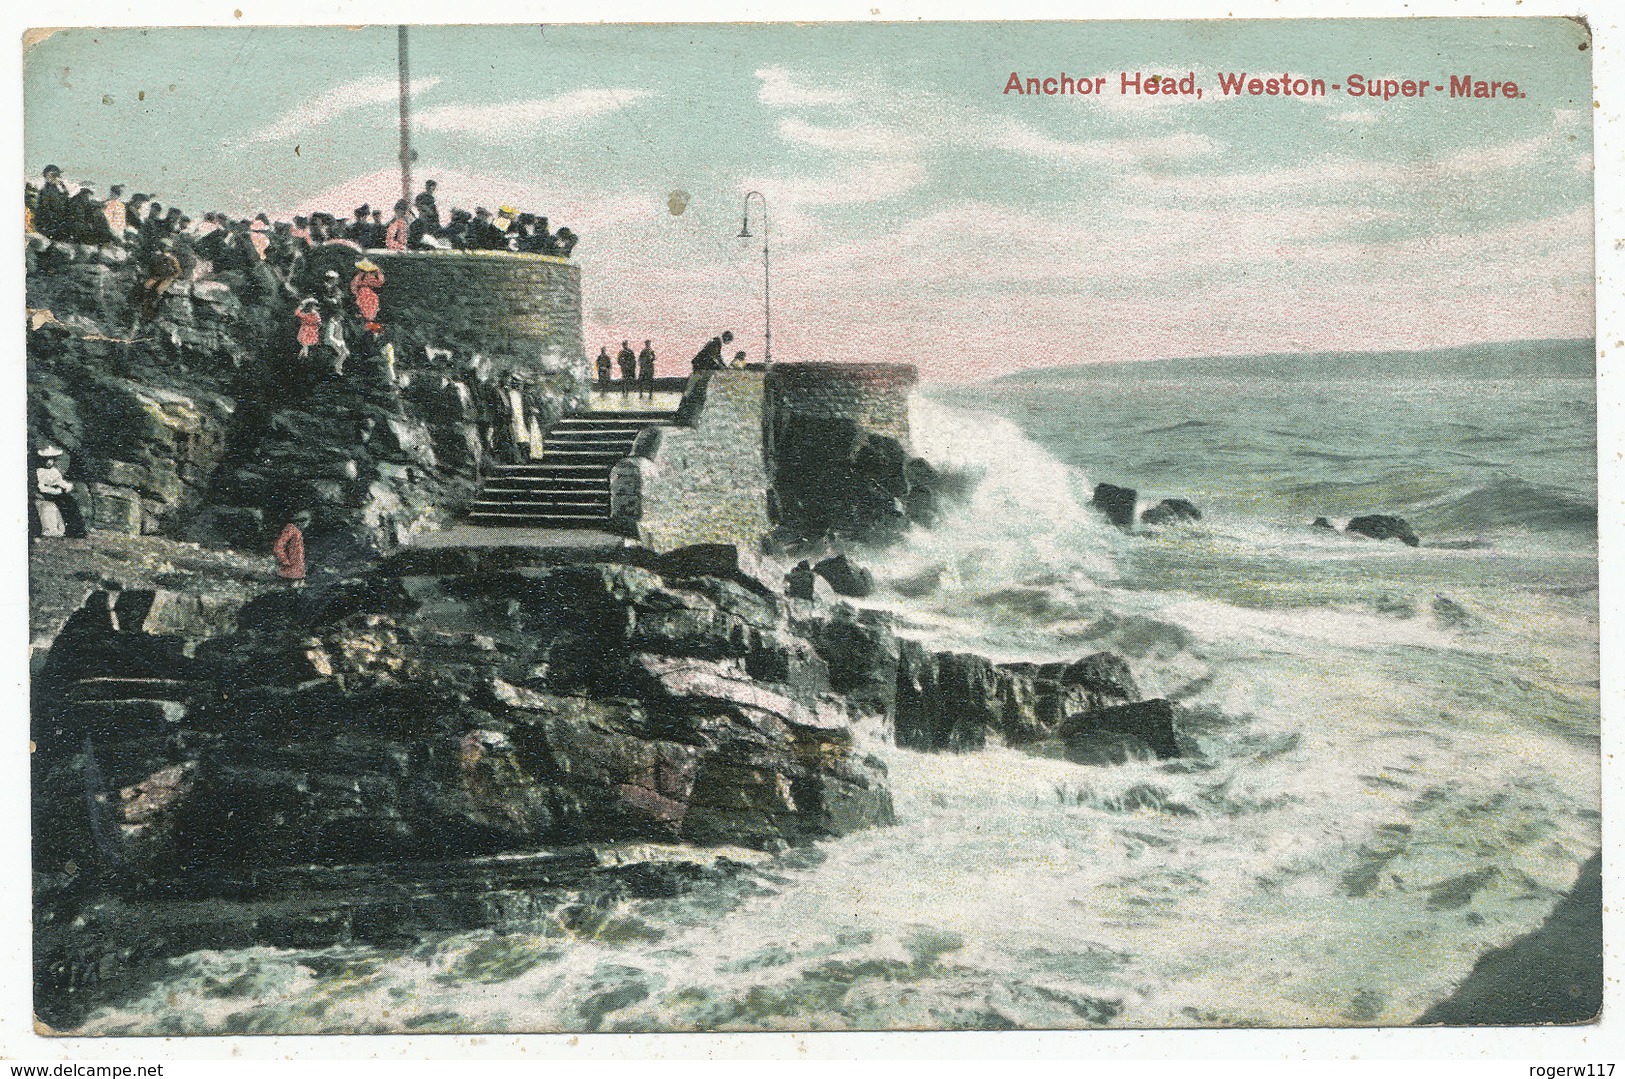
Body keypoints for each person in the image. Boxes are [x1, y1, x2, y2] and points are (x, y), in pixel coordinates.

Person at [31, 445, 87, 539]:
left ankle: (76, 530)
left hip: (57, 492)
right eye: (47, 460)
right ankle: (68, 529)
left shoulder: (54, 471)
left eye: (51, 459)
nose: (49, 462)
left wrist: (66, 486)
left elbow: (60, 481)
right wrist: (55, 491)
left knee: (70, 502)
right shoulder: (40, 471)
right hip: (47, 493)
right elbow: (41, 487)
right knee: (63, 503)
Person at [137, 238, 183, 320]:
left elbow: (177, 270)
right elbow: (151, 265)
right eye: (163, 247)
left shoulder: (172, 258)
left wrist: (172, 277)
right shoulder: (157, 255)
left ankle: (154, 305)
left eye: (165, 247)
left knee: (159, 290)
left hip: (167, 277)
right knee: (147, 285)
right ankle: (143, 302)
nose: (164, 249)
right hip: (157, 275)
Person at [273, 510, 311, 587]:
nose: (306, 523)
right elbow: (278, 547)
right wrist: (285, 561)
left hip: (298, 570)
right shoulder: (291, 529)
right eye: (303, 520)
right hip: (290, 570)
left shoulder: (298, 531)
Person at [34, 165, 71, 240]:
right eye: (53, 175)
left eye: (57, 175)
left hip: (56, 224)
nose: (56, 177)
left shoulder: (56, 190)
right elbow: (46, 210)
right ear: (46, 176)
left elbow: (65, 200)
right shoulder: (46, 191)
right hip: (49, 226)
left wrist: (63, 187)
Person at [350, 259, 385, 323]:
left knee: (370, 304)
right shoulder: (361, 276)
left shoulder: (365, 277)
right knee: (366, 304)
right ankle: (368, 318)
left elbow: (380, 282)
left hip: (369, 294)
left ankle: (369, 318)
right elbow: (354, 285)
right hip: (364, 294)